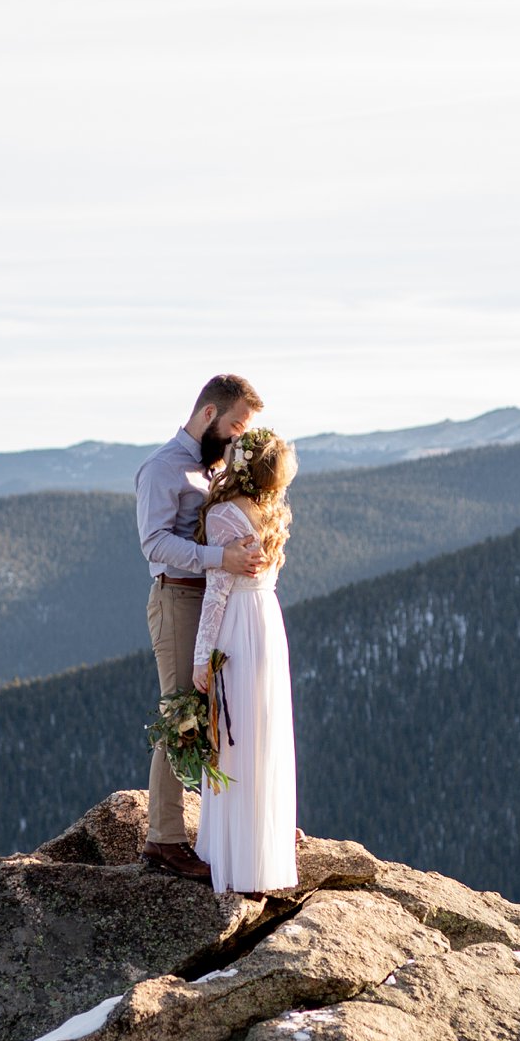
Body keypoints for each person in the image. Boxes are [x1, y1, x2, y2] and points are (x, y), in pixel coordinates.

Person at [136, 374, 271, 880]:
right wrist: (221, 557)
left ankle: (236, 825)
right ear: (209, 414)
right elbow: (154, 545)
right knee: (180, 715)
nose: (238, 437)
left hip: (219, 601)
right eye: (236, 425)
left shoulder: (213, 469)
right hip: (177, 598)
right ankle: (164, 841)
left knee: (222, 711)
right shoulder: (161, 469)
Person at [190, 429, 298, 897]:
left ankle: (229, 860)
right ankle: (261, 857)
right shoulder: (271, 511)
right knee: (262, 734)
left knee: (231, 738)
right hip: (267, 623)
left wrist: (200, 659)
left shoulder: (224, 514)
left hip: (237, 623)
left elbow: (216, 593)